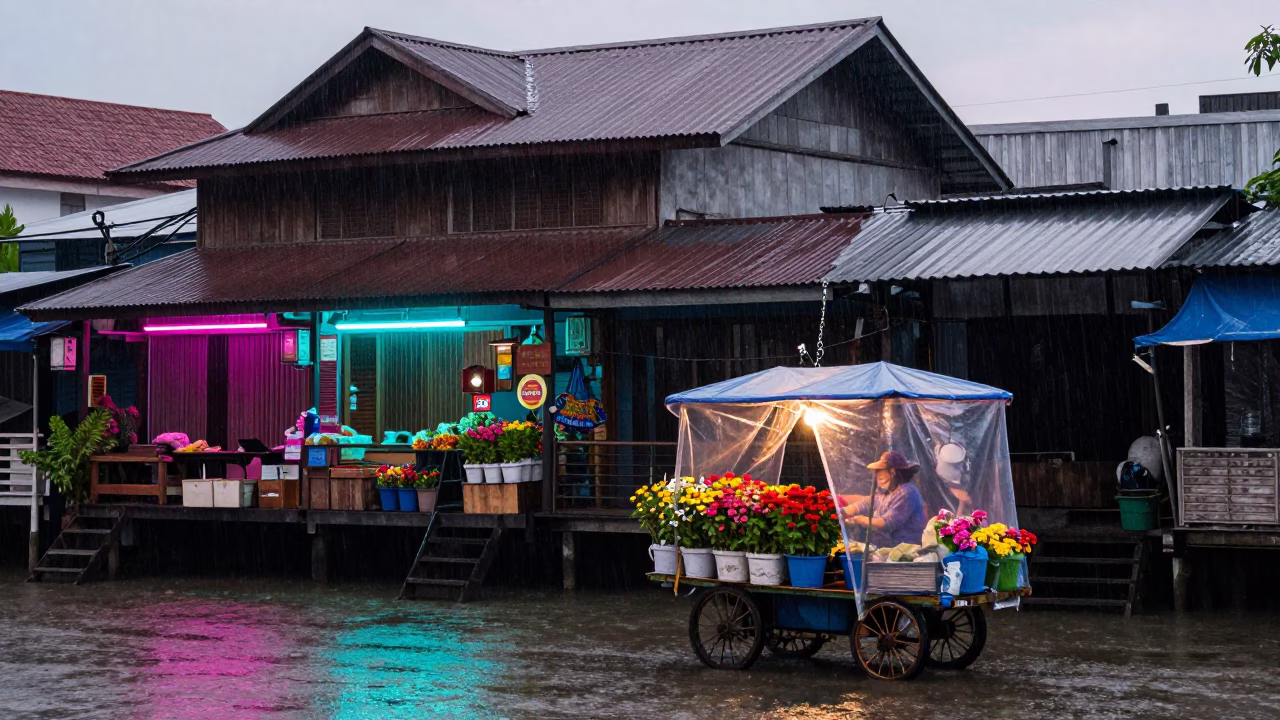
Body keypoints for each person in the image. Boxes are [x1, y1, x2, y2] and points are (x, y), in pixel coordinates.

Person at [841, 450, 928, 547]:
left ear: (893, 473)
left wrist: (858, 520)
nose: (879, 483)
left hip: (905, 549)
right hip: (887, 547)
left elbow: (887, 523)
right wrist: (843, 512)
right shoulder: (886, 491)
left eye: (881, 478)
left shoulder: (907, 493)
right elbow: (866, 503)